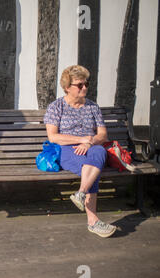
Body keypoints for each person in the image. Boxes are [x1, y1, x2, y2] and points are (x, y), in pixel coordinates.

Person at [43, 65, 116, 238]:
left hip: (91, 147)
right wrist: (81, 139)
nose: (84, 88)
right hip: (65, 149)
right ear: (67, 87)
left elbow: (103, 134)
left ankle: (81, 193)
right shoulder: (56, 107)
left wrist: (89, 142)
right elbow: (53, 137)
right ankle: (93, 221)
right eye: (79, 85)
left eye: (86, 84)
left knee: (98, 153)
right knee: (91, 167)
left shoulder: (92, 107)